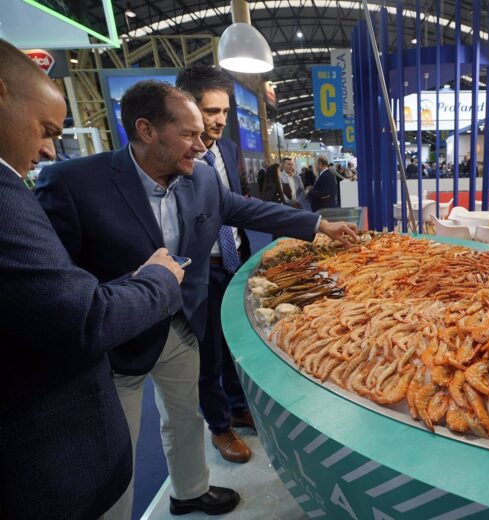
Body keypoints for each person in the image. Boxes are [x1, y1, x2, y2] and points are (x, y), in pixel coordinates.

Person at [36, 81, 357, 519]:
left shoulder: (200, 177)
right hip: (116, 344)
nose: (202, 146)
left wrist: (318, 225)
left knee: (185, 416)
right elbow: (57, 275)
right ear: (147, 130)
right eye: (189, 134)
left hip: (183, 323)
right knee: (114, 449)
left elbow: (248, 210)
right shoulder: (75, 183)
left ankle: (189, 491)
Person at [0, 39, 185, 520]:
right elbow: (78, 311)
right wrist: (157, 278)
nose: (48, 148)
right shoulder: (58, 184)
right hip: (51, 446)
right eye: (45, 129)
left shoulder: (197, 180)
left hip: (172, 332)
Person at [176, 65, 256, 465]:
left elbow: (237, 206)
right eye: (211, 111)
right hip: (199, 269)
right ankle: (219, 426)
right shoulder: (177, 158)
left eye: (225, 111)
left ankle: (239, 407)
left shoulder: (228, 150)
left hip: (234, 260)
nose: (220, 120)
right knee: (208, 354)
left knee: (235, 345)